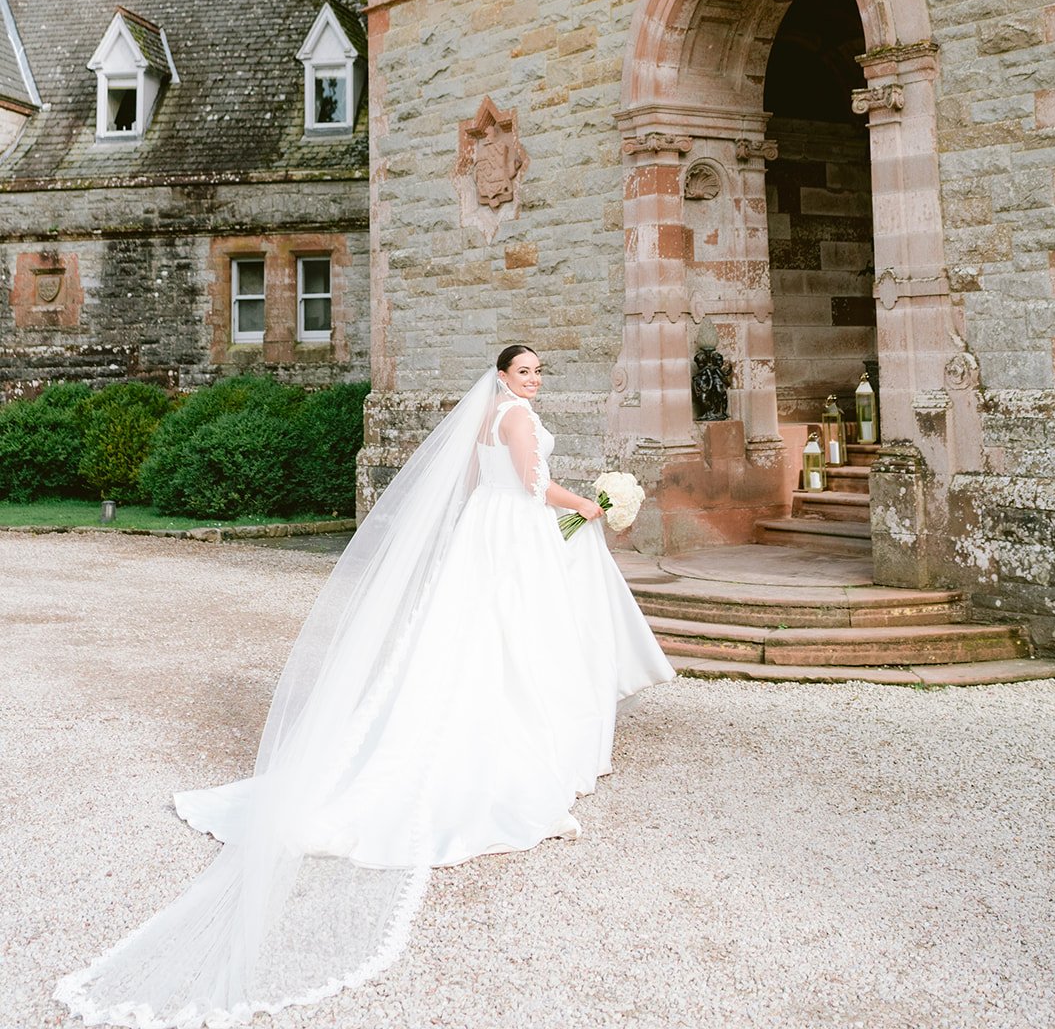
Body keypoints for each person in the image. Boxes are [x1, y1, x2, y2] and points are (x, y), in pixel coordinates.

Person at [56, 346, 673, 1028]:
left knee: (464, 640)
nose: (532, 380)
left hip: (483, 533)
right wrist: (589, 502)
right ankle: (515, 744)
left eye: (536, 372)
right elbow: (532, 487)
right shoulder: (518, 416)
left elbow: (474, 483)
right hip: (516, 532)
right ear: (503, 377)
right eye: (523, 371)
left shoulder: (483, 418)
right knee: (514, 638)